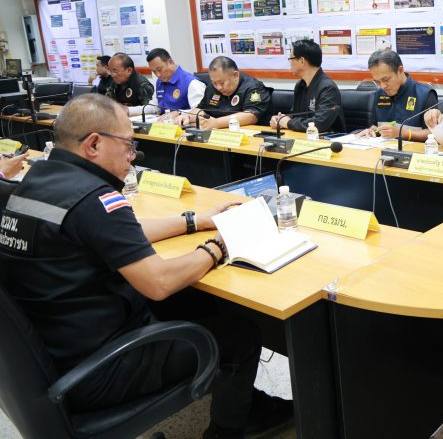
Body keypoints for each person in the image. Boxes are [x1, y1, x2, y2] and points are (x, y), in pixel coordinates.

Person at [0, 94, 293, 439]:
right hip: (101, 369)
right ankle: (229, 430)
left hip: (56, 352)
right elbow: (159, 282)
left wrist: (194, 221)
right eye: (128, 144)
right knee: (240, 335)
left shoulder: (35, 182)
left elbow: (115, 232)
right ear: (94, 144)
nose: (133, 155)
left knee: (194, 300)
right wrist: (219, 246)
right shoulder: (95, 198)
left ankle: (238, 398)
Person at [269, 39, 346, 133]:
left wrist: (288, 123)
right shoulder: (300, 85)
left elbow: (320, 124)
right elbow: (295, 115)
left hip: (326, 139)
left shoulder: (328, 88)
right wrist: (280, 119)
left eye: (291, 59)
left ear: (302, 61)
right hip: (303, 137)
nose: (290, 63)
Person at [360, 49, 437, 141]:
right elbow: (376, 126)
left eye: (386, 79)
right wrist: (371, 131)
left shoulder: (425, 94)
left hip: (415, 149)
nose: (382, 86)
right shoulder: (379, 93)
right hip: (384, 147)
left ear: (400, 70)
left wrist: (403, 133)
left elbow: (435, 134)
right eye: (377, 82)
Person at [181, 56, 270, 130]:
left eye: (222, 83)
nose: (218, 87)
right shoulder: (212, 88)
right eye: (214, 83)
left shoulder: (253, 88)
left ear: (235, 75)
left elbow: (251, 116)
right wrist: (188, 116)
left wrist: (217, 123)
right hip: (218, 135)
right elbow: (201, 109)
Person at [146, 47, 205, 118]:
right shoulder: (160, 82)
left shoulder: (192, 83)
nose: (158, 75)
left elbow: (200, 112)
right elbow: (155, 106)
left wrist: (179, 113)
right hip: (163, 122)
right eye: (154, 72)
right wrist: (133, 110)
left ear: (170, 62)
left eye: (159, 69)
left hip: (184, 123)